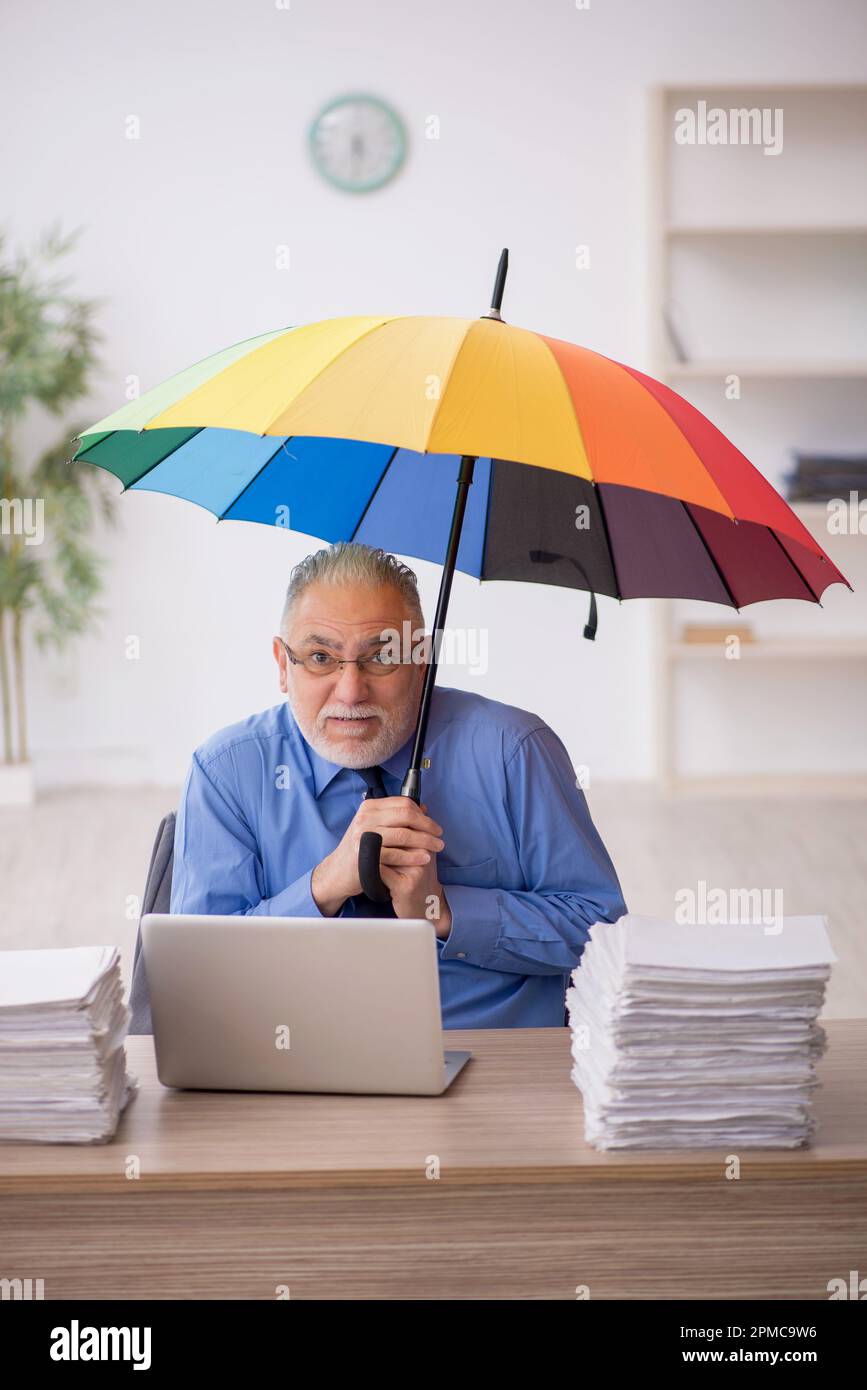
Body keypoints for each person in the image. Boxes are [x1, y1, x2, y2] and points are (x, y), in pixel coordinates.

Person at [146, 541, 627, 1028]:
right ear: (281, 665)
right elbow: (201, 972)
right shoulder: (227, 770)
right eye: (319, 656)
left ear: (422, 660)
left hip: (493, 1064)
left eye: (381, 657)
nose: (351, 691)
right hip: (294, 1060)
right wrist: (323, 886)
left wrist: (445, 910)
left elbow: (602, 932)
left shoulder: (515, 751)